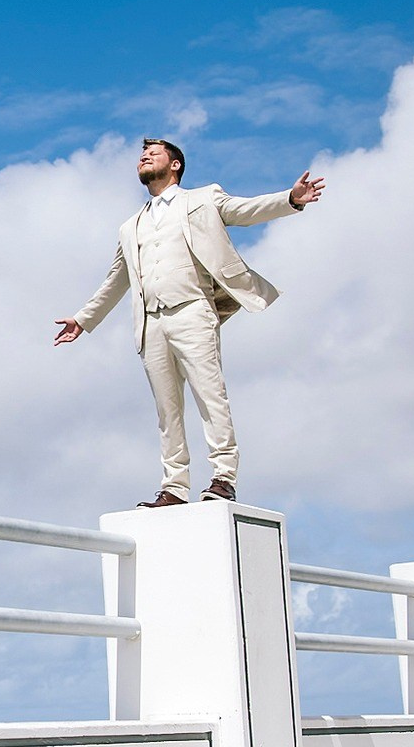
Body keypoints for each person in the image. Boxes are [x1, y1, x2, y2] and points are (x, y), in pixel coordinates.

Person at [52, 138, 324, 507]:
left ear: (175, 165)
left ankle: (223, 478)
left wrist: (289, 199)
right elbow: (117, 278)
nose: (144, 157)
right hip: (151, 323)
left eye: (153, 153)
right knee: (167, 410)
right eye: (141, 155)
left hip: (192, 310)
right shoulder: (129, 227)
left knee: (211, 396)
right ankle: (174, 487)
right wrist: (84, 319)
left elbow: (244, 210)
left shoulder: (203, 198)